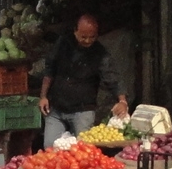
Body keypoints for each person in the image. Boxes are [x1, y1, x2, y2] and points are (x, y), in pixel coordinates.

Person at [37, 14, 128, 148]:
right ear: (75, 31)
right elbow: (49, 70)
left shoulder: (100, 53)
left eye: (92, 37)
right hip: (56, 108)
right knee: (50, 148)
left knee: (82, 150)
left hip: (83, 110)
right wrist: (43, 96)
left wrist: (122, 100)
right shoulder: (63, 44)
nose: (87, 41)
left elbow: (112, 78)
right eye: (83, 37)